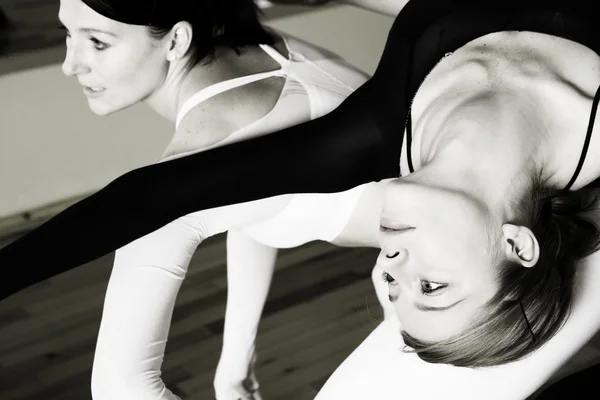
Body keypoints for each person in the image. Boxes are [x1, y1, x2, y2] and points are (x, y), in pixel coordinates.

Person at [3, 0, 600, 398]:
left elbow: (152, 195)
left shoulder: (365, 141)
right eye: (432, 286)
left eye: (392, 289)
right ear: (517, 242)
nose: (391, 269)